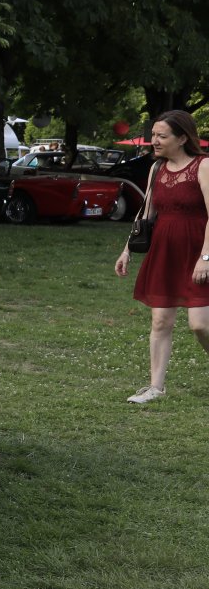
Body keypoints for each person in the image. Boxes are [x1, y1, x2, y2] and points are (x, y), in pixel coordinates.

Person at [113, 109, 209, 403]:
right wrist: (127, 250)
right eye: (153, 135)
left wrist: (205, 258)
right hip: (165, 253)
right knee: (160, 322)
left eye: (161, 136)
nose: (154, 141)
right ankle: (155, 387)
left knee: (200, 325)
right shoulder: (157, 169)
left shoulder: (204, 166)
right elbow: (146, 214)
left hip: (198, 252)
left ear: (182, 138)